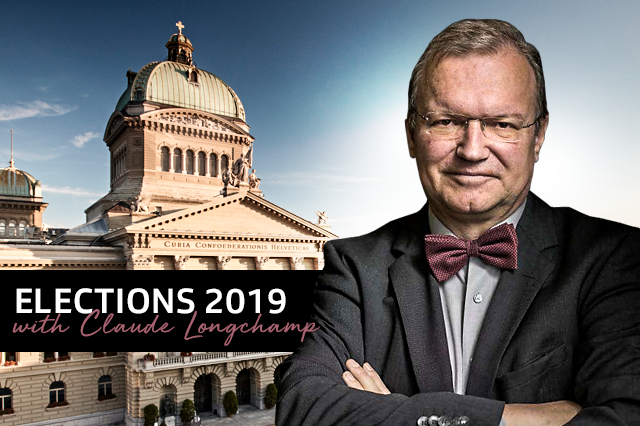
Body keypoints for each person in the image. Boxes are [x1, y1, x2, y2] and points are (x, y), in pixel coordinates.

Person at [275, 19, 640, 426]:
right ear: (412, 134)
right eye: (446, 121)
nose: (472, 149)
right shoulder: (354, 267)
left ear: (538, 137)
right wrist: (521, 419)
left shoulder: (616, 258)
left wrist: (390, 412)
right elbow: (304, 408)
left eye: (502, 123)